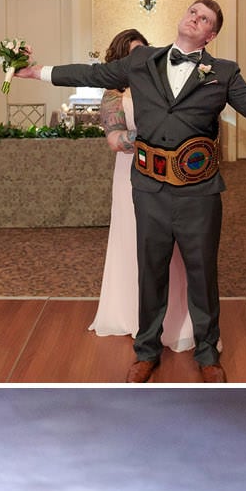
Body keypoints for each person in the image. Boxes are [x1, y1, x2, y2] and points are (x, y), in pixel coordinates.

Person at [24, 0, 246, 380]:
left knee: (202, 273)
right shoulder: (142, 60)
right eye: (193, 12)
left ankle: (207, 354)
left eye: (205, 19)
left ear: (210, 35)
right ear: (183, 17)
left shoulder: (224, 72)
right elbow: (94, 72)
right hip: (148, 186)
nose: (195, 18)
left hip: (198, 190)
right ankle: (146, 350)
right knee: (150, 272)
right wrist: (38, 72)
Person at [88, 28, 195, 352]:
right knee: (135, 242)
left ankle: (175, 316)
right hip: (131, 175)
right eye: (134, 55)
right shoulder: (113, 94)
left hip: (169, 174)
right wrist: (151, 137)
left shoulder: (164, 88)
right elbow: (114, 140)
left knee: (171, 247)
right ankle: (133, 314)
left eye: (145, 53)